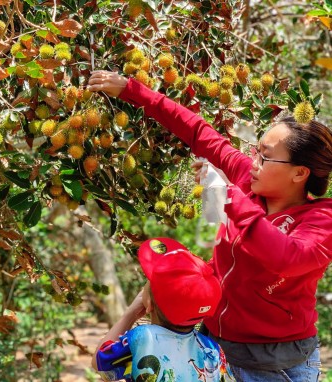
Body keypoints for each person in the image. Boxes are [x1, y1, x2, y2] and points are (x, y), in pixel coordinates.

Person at [87, 70, 332, 381]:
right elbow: (198, 132)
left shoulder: (321, 220)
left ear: (300, 174)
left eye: (265, 158)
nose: (252, 161)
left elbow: (286, 258)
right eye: (255, 151)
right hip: (214, 351)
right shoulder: (247, 178)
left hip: (276, 366)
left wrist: (227, 196)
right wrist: (133, 91)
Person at [92, 237, 234, 381]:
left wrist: (130, 314)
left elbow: (99, 365)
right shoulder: (211, 349)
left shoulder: (142, 337)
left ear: (149, 303)